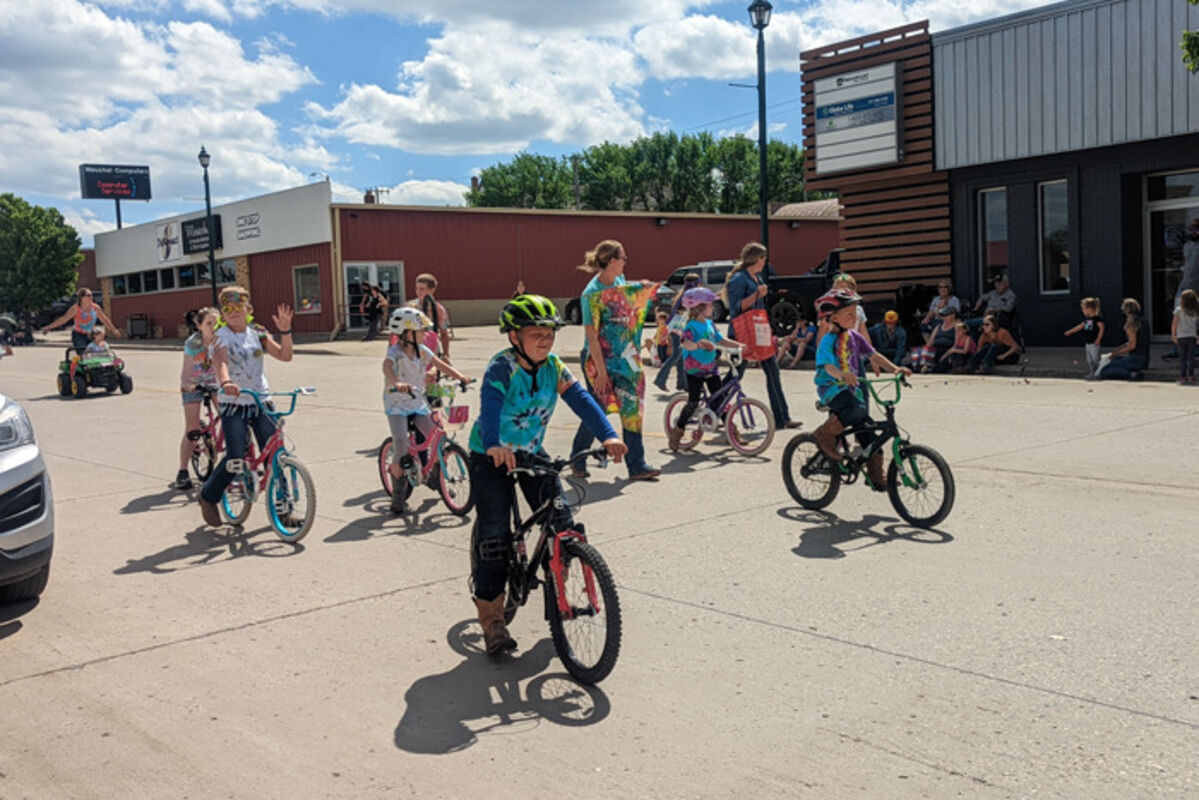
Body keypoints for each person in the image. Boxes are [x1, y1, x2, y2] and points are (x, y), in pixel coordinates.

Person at [469, 295, 627, 654]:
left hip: (530, 451)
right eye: (535, 333)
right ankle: (493, 623)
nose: (545, 339)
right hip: (489, 454)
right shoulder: (502, 368)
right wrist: (494, 443)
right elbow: (490, 406)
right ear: (514, 337)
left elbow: (583, 401)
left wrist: (608, 434)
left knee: (563, 520)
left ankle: (560, 589)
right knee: (494, 535)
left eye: (549, 333)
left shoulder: (555, 367)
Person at [197, 287, 294, 527]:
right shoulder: (221, 336)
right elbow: (220, 363)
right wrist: (226, 382)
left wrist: (286, 332)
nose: (234, 313)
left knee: (275, 455)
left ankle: (284, 509)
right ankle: (208, 497)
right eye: (228, 309)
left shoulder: (258, 333)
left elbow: (284, 355)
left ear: (248, 309)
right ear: (223, 312)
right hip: (234, 403)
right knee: (236, 456)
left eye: (238, 307)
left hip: (260, 399)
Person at [569, 240, 661, 481]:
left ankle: (637, 465)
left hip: (624, 358)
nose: (625, 263)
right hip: (598, 360)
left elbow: (625, 297)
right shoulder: (591, 294)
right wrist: (600, 372)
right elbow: (591, 334)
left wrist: (639, 288)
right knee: (598, 409)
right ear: (611, 261)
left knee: (631, 407)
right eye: (623, 259)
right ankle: (577, 457)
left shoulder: (619, 281)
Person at [810, 289, 911, 490]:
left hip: (852, 390)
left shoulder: (855, 337)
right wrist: (842, 375)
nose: (853, 317)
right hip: (833, 390)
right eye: (848, 314)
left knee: (872, 438)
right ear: (834, 317)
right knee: (855, 410)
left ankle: (875, 476)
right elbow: (827, 366)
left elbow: (874, 355)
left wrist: (895, 368)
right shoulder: (828, 342)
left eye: (855, 313)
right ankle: (824, 434)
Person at [382, 307, 473, 514]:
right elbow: (386, 367)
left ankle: (433, 474)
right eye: (421, 330)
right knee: (401, 444)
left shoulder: (423, 351)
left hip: (416, 402)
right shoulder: (395, 352)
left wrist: (460, 377)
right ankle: (398, 494)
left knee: (434, 432)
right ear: (407, 333)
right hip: (396, 405)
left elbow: (440, 364)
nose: (426, 334)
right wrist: (395, 381)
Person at [723, 242, 800, 430]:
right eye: (764, 258)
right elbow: (736, 308)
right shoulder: (739, 279)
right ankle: (716, 406)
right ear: (757, 259)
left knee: (773, 372)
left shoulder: (755, 277)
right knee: (736, 375)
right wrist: (757, 294)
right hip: (740, 334)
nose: (765, 262)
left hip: (758, 331)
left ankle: (782, 418)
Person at [666, 288, 744, 451]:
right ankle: (677, 431)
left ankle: (731, 432)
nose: (713, 307)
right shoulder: (691, 327)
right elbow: (686, 344)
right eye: (710, 305)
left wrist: (738, 345)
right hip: (694, 370)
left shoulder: (710, 324)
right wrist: (699, 344)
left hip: (710, 367)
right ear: (700, 307)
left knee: (719, 401)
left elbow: (720, 340)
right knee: (693, 402)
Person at [173, 307, 219, 491]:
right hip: (194, 383)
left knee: (230, 416)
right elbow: (186, 372)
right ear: (199, 326)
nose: (214, 327)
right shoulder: (193, 344)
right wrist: (187, 385)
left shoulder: (222, 340)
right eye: (209, 323)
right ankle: (182, 472)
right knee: (193, 430)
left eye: (217, 323)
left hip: (215, 383)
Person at [653, 273, 700, 392]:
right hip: (678, 330)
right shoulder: (689, 296)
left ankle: (682, 384)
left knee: (681, 358)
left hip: (677, 329)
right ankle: (660, 379)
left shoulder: (683, 295)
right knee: (676, 355)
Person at [42, 288, 121, 353]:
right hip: (78, 335)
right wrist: (49, 327)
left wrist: (114, 330)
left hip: (91, 334)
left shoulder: (95, 308)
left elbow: (104, 319)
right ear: (81, 298)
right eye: (88, 295)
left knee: (96, 352)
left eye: (91, 295)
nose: (91, 297)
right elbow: (63, 319)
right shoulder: (75, 309)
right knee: (83, 353)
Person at [1098, 298, 1150, 381]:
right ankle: (1131, 372)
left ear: (1127, 309)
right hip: (1144, 358)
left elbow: (1132, 345)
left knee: (1105, 370)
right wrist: (1120, 348)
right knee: (1115, 361)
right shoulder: (1143, 322)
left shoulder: (1131, 324)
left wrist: (1116, 353)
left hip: (1136, 359)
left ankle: (1131, 374)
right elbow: (1133, 341)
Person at [412, 273, 451, 360]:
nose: (418, 292)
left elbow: (444, 333)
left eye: (422, 289)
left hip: (431, 352)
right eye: (417, 288)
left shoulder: (439, 310)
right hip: (412, 351)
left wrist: (445, 354)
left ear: (432, 290)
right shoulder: (411, 306)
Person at [1064, 297, 1105, 380]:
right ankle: (1092, 372)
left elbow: (1102, 328)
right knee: (1089, 360)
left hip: (1094, 343)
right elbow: (1080, 326)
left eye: (1083, 309)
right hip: (1088, 342)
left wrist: (1098, 339)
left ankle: (1098, 373)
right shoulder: (1087, 319)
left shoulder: (1097, 319)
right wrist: (1070, 331)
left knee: (1095, 359)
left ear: (1089, 309)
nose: (1082, 311)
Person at [1171, 289, 1199, 384]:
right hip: (1192, 336)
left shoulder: (1179, 310)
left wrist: (1173, 335)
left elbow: (1174, 323)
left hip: (1181, 336)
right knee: (1191, 357)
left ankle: (1183, 376)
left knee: (1182, 357)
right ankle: (1191, 376)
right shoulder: (1195, 311)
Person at [921, 306, 959, 373]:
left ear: (953, 315)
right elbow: (930, 342)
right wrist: (925, 352)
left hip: (948, 351)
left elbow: (956, 344)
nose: (944, 318)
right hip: (936, 350)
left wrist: (945, 355)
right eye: (943, 316)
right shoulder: (939, 326)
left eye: (946, 315)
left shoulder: (957, 326)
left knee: (939, 367)